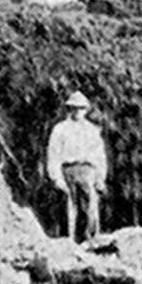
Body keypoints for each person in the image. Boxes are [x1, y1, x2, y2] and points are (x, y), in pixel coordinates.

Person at [46, 91, 108, 242]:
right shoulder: (60, 129)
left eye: (81, 108)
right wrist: (56, 178)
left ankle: (90, 243)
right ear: (69, 109)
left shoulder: (92, 130)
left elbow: (99, 156)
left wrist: (100, 178)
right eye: (74, 108)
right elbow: (53, 154)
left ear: (86, 110)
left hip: (88, 172)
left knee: (90, 208)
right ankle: (68, 243)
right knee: (68, 209)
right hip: (68, 171)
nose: (77, 111)